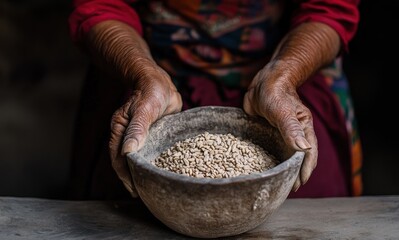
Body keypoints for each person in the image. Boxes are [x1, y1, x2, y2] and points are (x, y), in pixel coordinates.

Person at [68, 0, 362, 200]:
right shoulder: (144, 75)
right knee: (122, 199)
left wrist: (284, 76)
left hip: (284, 77)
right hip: (148, 75)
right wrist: (142, 73)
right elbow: (102, 6)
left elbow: (329, 9)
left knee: (309, 202)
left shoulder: (284, 78)